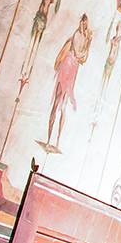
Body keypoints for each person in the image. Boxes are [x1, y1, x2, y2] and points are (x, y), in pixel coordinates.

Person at [44, 14, 93, 150]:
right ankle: (52, 140)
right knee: (59, 104)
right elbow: (80, 55)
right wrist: (87, 44)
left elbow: (81, 57)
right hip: (70, 66)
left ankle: (54, 141)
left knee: (61, 105)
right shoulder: (79, 37)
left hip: (71, 68)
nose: (82, 26)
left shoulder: (80, 37)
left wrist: (88, 44)